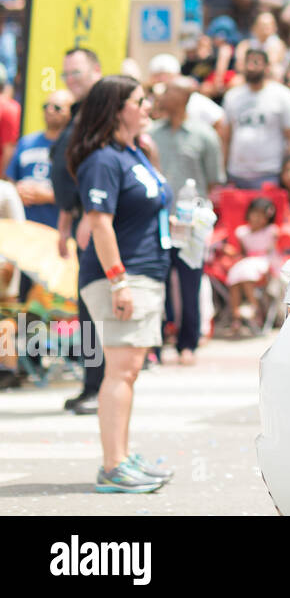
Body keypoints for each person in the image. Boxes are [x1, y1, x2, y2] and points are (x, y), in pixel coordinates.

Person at [66, 76, 174, 493]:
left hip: (144, 273)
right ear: (116, 109)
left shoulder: (134, 153)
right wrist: (118, 282)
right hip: (122, 276)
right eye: (140, 100)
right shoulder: (103, 160)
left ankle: (122, 458)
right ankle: (113, 465)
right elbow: (99, 223)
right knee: (121, 372)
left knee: (127, 372)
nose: (148, 106)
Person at [147, 76, 224, 365]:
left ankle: (187, 342)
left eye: (168, 91)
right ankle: (155, 341)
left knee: (190, 281)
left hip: (191, 221)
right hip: (158, 219)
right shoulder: (153, 134)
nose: (161, 95)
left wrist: (207, 219)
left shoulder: (204, 135)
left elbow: (215, 181)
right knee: (157, 279)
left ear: (183, 97)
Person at [49, 48, 104, 414]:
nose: (72, 79)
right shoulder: (80, 112)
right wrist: (67, 221)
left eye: (78, 72)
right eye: (67, 74)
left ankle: (100, 387)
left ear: (96, 71)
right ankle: (92, 383)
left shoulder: (102, 110)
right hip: (81, 219)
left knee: (97, 307)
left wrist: (91, 213)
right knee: (87, 306)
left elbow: (102, 167)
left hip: (99, 221)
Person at [219, 48, 290, 189]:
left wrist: (288, 172)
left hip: (269, 173)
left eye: (256, 62)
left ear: (267, 67)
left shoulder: (283, 96)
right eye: (248, 62)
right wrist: (222, 172)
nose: (251, 67)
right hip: (236, 173)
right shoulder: (232, 96)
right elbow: (225, 137)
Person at [7, 89, 71, 232]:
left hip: (55, 230)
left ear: (70, 113)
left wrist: (49, 196)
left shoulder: (74, 148)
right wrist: (18, 191)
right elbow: (10, 178)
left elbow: (79, 192)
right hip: (24, 226)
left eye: (57, 107)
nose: (50, 110)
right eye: (46, 106)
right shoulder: (26, 142)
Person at [219, 197, 284, 336]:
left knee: (247, 275)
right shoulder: (242, 232)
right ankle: (236, 315)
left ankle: (254, 309)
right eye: (255, 214)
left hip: (264, 262)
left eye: (262, 215)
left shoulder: (272, 231)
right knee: (235, 277)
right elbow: (242, 252)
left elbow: (275, 250)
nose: (257, 218)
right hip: (248, 261)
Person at [234, 11, 288, 81]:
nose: (266, 27)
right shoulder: (244, 45)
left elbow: (273, 65)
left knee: (277, 71)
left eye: (269, 24)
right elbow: (239, 66)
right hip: (249, 77)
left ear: (275, 27)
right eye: (263, 24)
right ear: (254, 27)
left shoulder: (279, 45)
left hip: (269, 78)